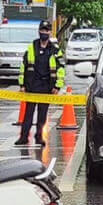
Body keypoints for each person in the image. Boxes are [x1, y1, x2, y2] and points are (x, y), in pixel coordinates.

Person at [16, 19, 64, 147]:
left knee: (42, 115)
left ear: (50, 32)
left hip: (46, 87)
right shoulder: (32, 46)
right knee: (28, 114)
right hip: (31, 86)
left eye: (46, 30)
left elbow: (60, 69)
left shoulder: (55, 50)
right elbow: (23, 66)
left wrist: (57, 86)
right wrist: (22, 85)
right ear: (39, 31)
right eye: (42, 30)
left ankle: (39, 137)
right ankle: (23, 137)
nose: (44, 32)